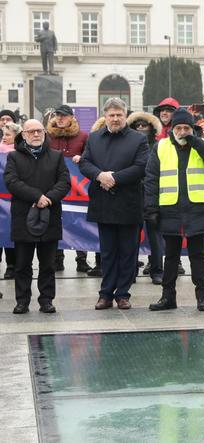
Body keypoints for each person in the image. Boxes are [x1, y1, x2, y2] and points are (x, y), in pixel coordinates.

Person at [144, 108, 204, 311]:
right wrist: (151, 209)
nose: (182, 132)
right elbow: (151, 179)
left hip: (196, 209)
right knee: (170, 256)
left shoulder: (202, 145)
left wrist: (196, 141)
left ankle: (202, 297)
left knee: (198, 255)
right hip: (170, 209)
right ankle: (168, 297)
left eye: (186, 128)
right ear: (172, 129)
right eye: (178, 128)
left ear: (192, 129)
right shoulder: (161, 146)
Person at [79, 97, 148, 310]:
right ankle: (105, 294)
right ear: (105, 116)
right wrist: (100, 176)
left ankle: (123, 294)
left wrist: (114, 178)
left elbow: (141, 167)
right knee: (107, 252)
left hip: (129, 203)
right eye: (111, 115)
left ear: (125, 116)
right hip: (104, 202)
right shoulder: (94, 138)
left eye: (119, 114)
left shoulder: (138, 139)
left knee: (128, 252)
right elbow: (84, 162)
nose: (115, 118)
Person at [3, 119, 71, 314]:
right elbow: (11, 182)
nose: (35, 134)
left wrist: (47, 199)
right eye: (31, 131)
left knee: (48, 264)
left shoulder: (56, 156)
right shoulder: (14, 157)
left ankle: (46, 300)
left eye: (39, 131)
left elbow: (64, 182)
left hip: (50, 215)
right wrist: (36, 196)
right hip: (23, 217)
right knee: (22, 264)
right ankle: (22, 301)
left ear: (44, 133)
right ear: (23, 134)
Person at [46, 104, 95, 273]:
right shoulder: (48, 135)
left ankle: (81, 259)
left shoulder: (82, 136)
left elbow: (89, 157)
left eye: (64, 115)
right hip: (53, 185)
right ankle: (57, 259)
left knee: (78, 220)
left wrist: (81, 158)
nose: (60, 118)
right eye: (58, 115)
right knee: (56, 220)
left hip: (77, 187)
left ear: (71, 117)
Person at [127, 110, 164, 285]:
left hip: (154, 194)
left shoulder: (158, 147)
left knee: (156, 235)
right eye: (137, 126)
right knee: (132, 236)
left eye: (145, 126)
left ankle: (157, 270)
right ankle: (131, 270)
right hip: (133, 194)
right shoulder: (127, 146)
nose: (141, 128)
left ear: (151, 128)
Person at [0, 113, 19, 279]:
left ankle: (12, 265)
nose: (4, 138)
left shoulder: (20, 153)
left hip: (14, 201)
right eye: (3, 135)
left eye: (8, 135)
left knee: (11, 235)